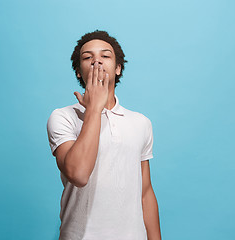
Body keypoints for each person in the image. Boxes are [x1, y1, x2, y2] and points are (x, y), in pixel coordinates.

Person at [47, 30, 161, 240]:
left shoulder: (141, 123)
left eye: (105, 56)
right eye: (87, 57)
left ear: (117, 68)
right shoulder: (63, 117)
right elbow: (79, 174)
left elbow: (145, 193)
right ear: (79, 71)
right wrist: (93, 110)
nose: (97, 62)